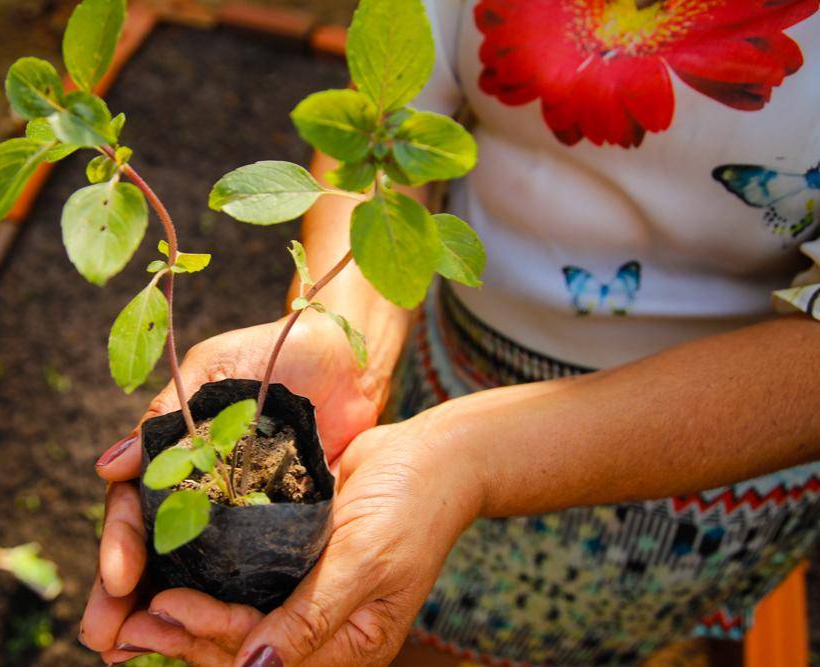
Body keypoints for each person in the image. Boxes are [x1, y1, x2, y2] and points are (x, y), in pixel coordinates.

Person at [81, 1, 820, 665]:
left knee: (546, 643)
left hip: (699, 443)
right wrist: (346, 333)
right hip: (442, 364)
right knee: (381, 600)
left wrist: (468, 458)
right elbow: (376, 139)